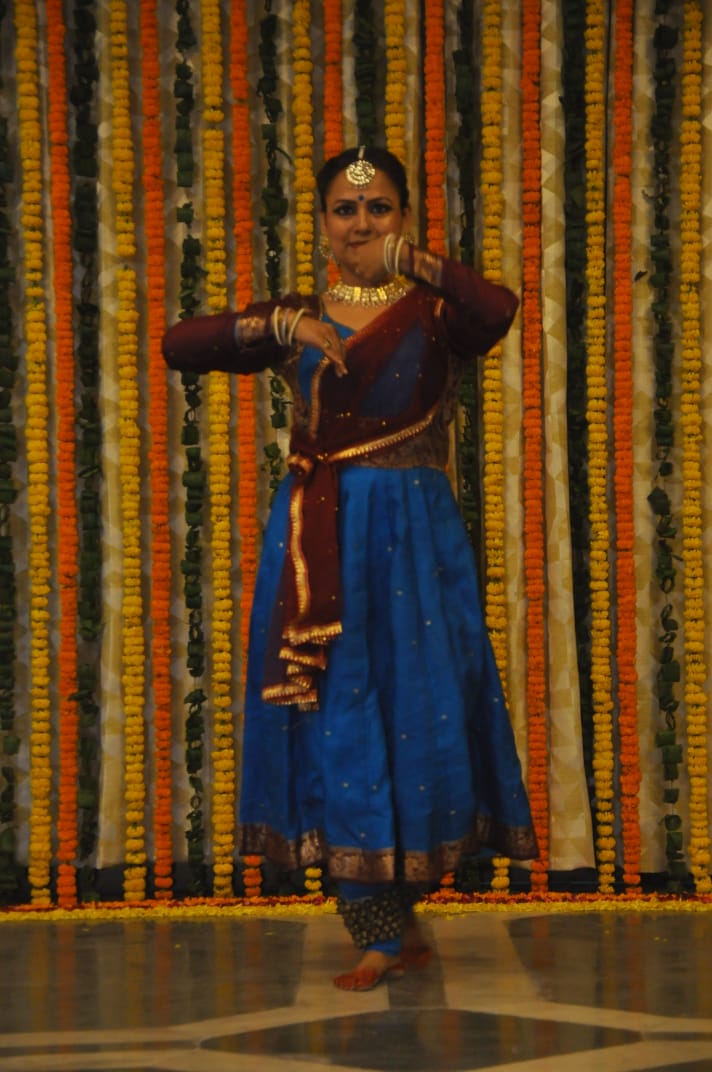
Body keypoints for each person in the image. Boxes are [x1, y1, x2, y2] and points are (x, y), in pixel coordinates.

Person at [162, 146, 538, 991]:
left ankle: (400, 914)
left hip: (416, 538)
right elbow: (178, 345)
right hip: (318, 541)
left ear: (403, 216)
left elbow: (498, 309)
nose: (361, 223)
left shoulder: (436, 313)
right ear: (322, 221)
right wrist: (278, 327)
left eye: (379, 208)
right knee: (336, 708)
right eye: (345, 208)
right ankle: (375, 926)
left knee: (421, 708)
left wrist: (413, 263)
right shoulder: (300, 315)